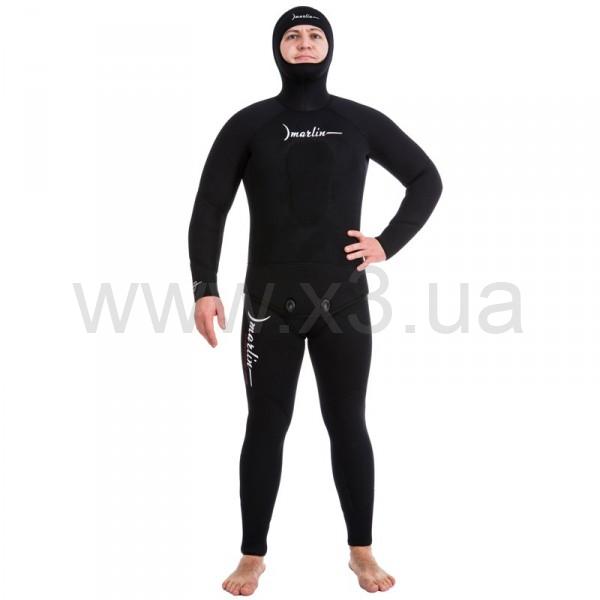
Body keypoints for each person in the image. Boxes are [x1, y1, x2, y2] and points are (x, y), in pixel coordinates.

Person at [188, 5, 443, 595]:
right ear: (277, 48)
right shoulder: (249, 123)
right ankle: (252, 556)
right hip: (268, 305)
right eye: (292, 35)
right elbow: (210, 207)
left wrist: (387, 243)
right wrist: (204, 287)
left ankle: (361, 551)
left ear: (329, 46)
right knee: (265, 425)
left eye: (314, 35)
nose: (304, 43)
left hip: (342, 302)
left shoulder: (357, 121)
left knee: (347, 422)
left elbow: (426, 179)